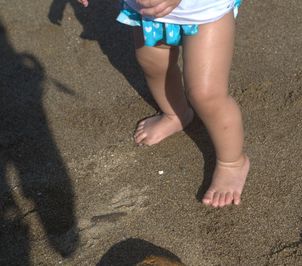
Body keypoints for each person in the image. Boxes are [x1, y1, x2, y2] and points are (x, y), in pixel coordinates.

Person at [78, 0, 250, 208]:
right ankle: (175, 113)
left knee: (206, 94)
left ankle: (231, 162)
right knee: (153, 66)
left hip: (204, 11)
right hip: (148, 11)